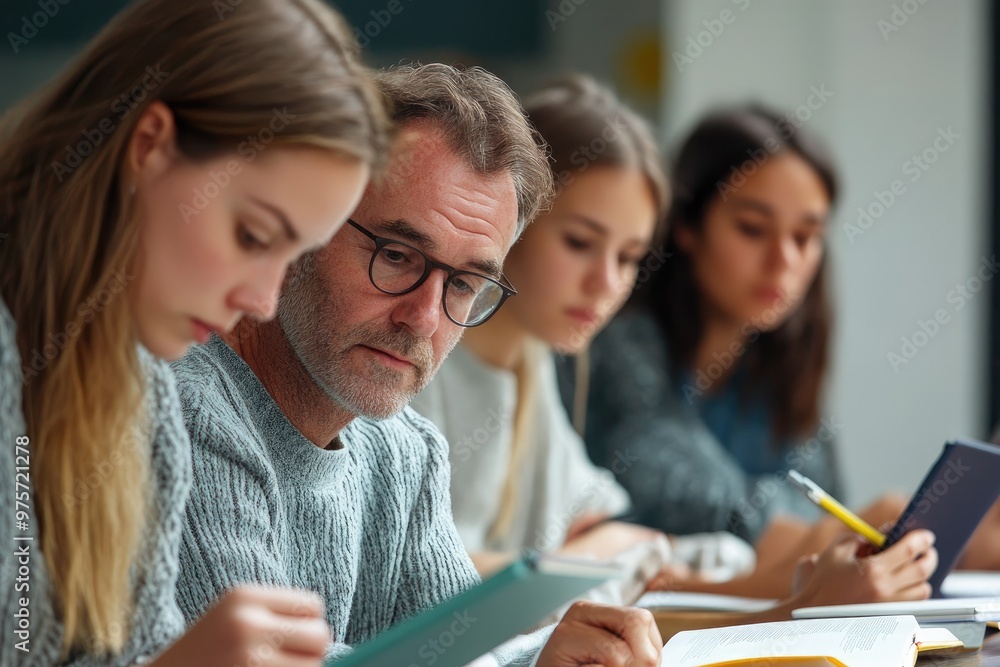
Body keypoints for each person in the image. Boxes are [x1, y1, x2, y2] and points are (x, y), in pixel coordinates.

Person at [170, 63, 664, 667]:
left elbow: (461, 657)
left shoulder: (407, 453)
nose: (424, 318)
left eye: (464, 284)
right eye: (397, 255)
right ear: (308, 223)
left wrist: (545, 659)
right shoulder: (191, 407)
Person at [410, 78, 938, 610]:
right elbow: (424, 576)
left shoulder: (534, 359)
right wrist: (603, 553)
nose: (606, 284)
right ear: (511, 220)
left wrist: (609, 551)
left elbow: (603, 533)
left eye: (629, 257)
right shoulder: (434, 360)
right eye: (579, 243)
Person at [0, 0, 388, 665]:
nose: (261, 302)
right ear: (149, 145)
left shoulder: (140, 399)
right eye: (252, 235)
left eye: (292, 258)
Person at [558, 105, 928, 598]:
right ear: (687, 226)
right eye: (753, 229)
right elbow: (690, 501)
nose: (785, 261)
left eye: (806, 237)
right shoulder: (619, 342)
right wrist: (852, 528)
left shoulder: (783, 366)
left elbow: (822, 520)